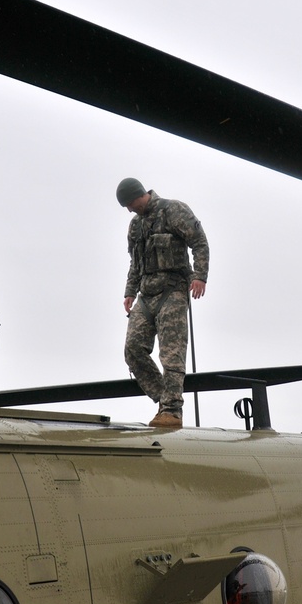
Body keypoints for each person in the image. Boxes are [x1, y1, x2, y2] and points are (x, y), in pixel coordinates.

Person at [118, 177, 209, 428]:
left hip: (173, 290)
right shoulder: (135, 226)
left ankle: (172, 411)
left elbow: (199, 242)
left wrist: (199, 276)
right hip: (146, 294)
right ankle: (164, 398)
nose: (129, 209)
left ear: (139, 195)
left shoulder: (174, 210)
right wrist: (129, 292)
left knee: (171, 353)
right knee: (133, 349)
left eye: (129, 203)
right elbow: (135, 263)